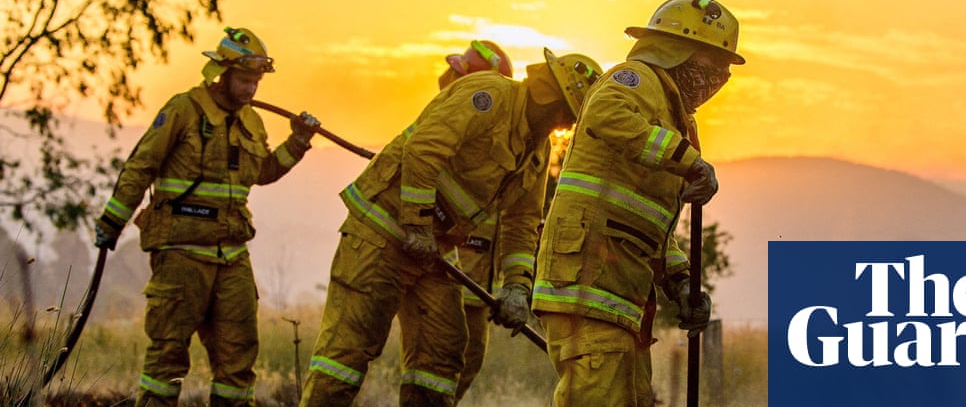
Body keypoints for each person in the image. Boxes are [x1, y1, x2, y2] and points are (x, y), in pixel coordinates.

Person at [300, 48, 602, 406]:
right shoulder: (488, 96)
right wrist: (417, 225)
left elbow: (521, 222)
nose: (565, 124)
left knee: (442, 355)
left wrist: (517, 288)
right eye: (566, 112)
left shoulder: (537, 151)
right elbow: (423, 151)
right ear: (547, 93)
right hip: (382, 231)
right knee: (349, 350)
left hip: (434, 251)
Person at [532, 0, 744, 406]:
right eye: (713, 63)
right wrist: (688, 160)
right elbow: (604, 113)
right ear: (677, 49)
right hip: (587, 282)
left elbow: (651, 220)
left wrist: (682, 281)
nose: (718, 77)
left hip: (621, 295)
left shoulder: (676, 120)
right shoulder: (637, 80)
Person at [93, 26, 321, 407]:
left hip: (232, 256)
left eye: (256, 81)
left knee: (239, 359)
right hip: (181, 253)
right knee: (167, 357)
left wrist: (298, 142)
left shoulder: (252, 121)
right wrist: (111, 222)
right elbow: (141, 166)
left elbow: (263, 172)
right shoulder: (183, 110)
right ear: (222, 74)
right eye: (244, 79)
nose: (251, 89)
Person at [436, 39, 521, 401]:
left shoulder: (493, 140)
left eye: (459, 74)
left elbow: (515, 220)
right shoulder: (448, 127)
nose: (449, 80)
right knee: (439, 368)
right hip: (447, 276)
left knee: (467, 364)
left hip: (475, 284)